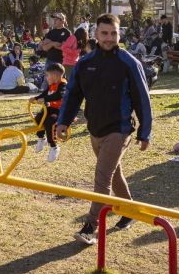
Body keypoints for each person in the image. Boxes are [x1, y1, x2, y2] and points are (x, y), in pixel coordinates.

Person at [56, 13, 151, 244]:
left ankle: (90, 227)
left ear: (120, 34)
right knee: (113, 172)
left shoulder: (129, 62)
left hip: (119, 130)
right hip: (95, 129)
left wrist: (144, 132)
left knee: (102, 177)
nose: (109, 38)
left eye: (114, 33)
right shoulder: (85, 63)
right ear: (96, 34)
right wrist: (63, 121)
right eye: (104, 33)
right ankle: (131, 212)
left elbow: (142, 98)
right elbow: (73, 94)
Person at [30, 63, 68, 162]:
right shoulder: (52, 85)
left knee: (49, 122)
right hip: (52, 108)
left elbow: (59, 96)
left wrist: (44, 99)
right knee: (39, 118)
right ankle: (41, 138)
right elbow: (44, 93)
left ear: (55, 75)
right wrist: (36, 98)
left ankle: (54, 146)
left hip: (61, 111)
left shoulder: (63, 84)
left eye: (47, 75)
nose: (46, 77)